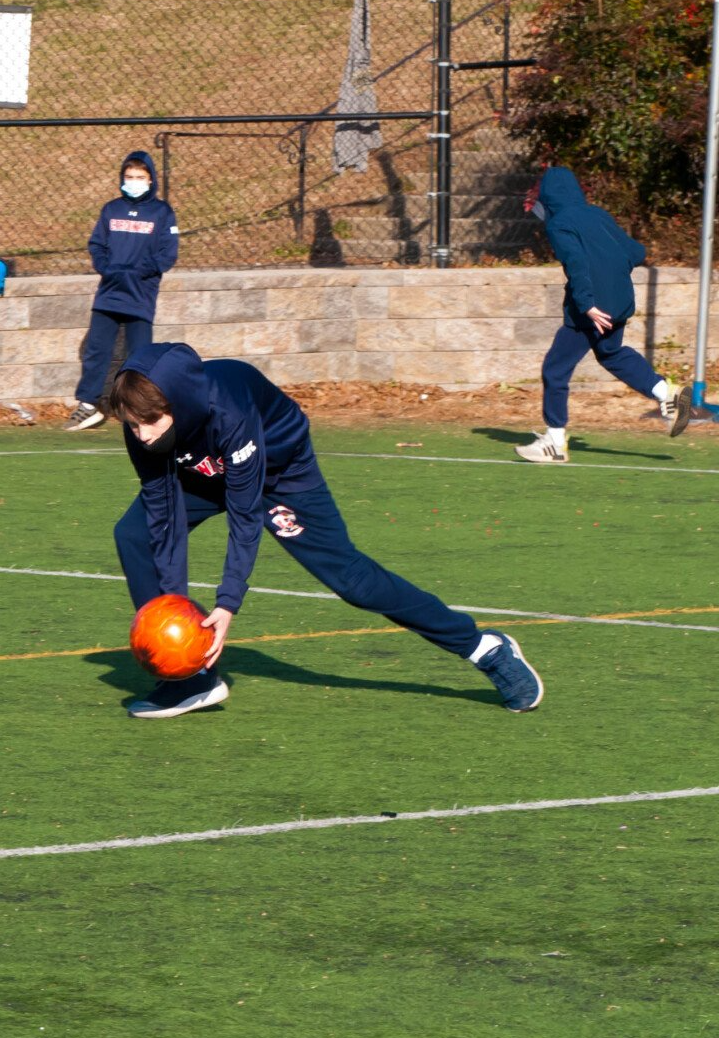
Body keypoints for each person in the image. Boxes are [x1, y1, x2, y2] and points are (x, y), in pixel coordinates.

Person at [108, 343, 545, 719]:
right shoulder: (141, 422)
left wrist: (227, 605)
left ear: (180, 403)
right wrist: (178, 622)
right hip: (206, 473)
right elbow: (162, 513)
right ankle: (190, 680)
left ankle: (483, 648)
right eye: (133, 424)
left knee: (353, 581)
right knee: (134, 534)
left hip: (280, 474)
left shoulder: (230, 411)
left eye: (152, 422)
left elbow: (245, 517)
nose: (143, 435)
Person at [514, 166, 691, 463]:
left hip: (592, 307)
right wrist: (611, 273)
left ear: (549, 197)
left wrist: (587, 304)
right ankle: (666, 393)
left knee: (555, 369)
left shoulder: (558, 225)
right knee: (611, 353)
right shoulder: (598, 214)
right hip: (619, 300)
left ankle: (554, 442)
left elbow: (576, 262)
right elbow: (635, 251)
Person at [65, 150, 179, 431]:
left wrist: (139, 273)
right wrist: (109, 269)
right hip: (109, 293)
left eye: (140, 177)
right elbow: (97, 245)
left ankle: (140, 409)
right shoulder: (111, 209)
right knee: (96, 350)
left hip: (140, 295)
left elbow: (168, 254)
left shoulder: (163, 213)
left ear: (151, 179)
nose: (134, 181)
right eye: (129, 177)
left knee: (140, 354)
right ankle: (89, 405)